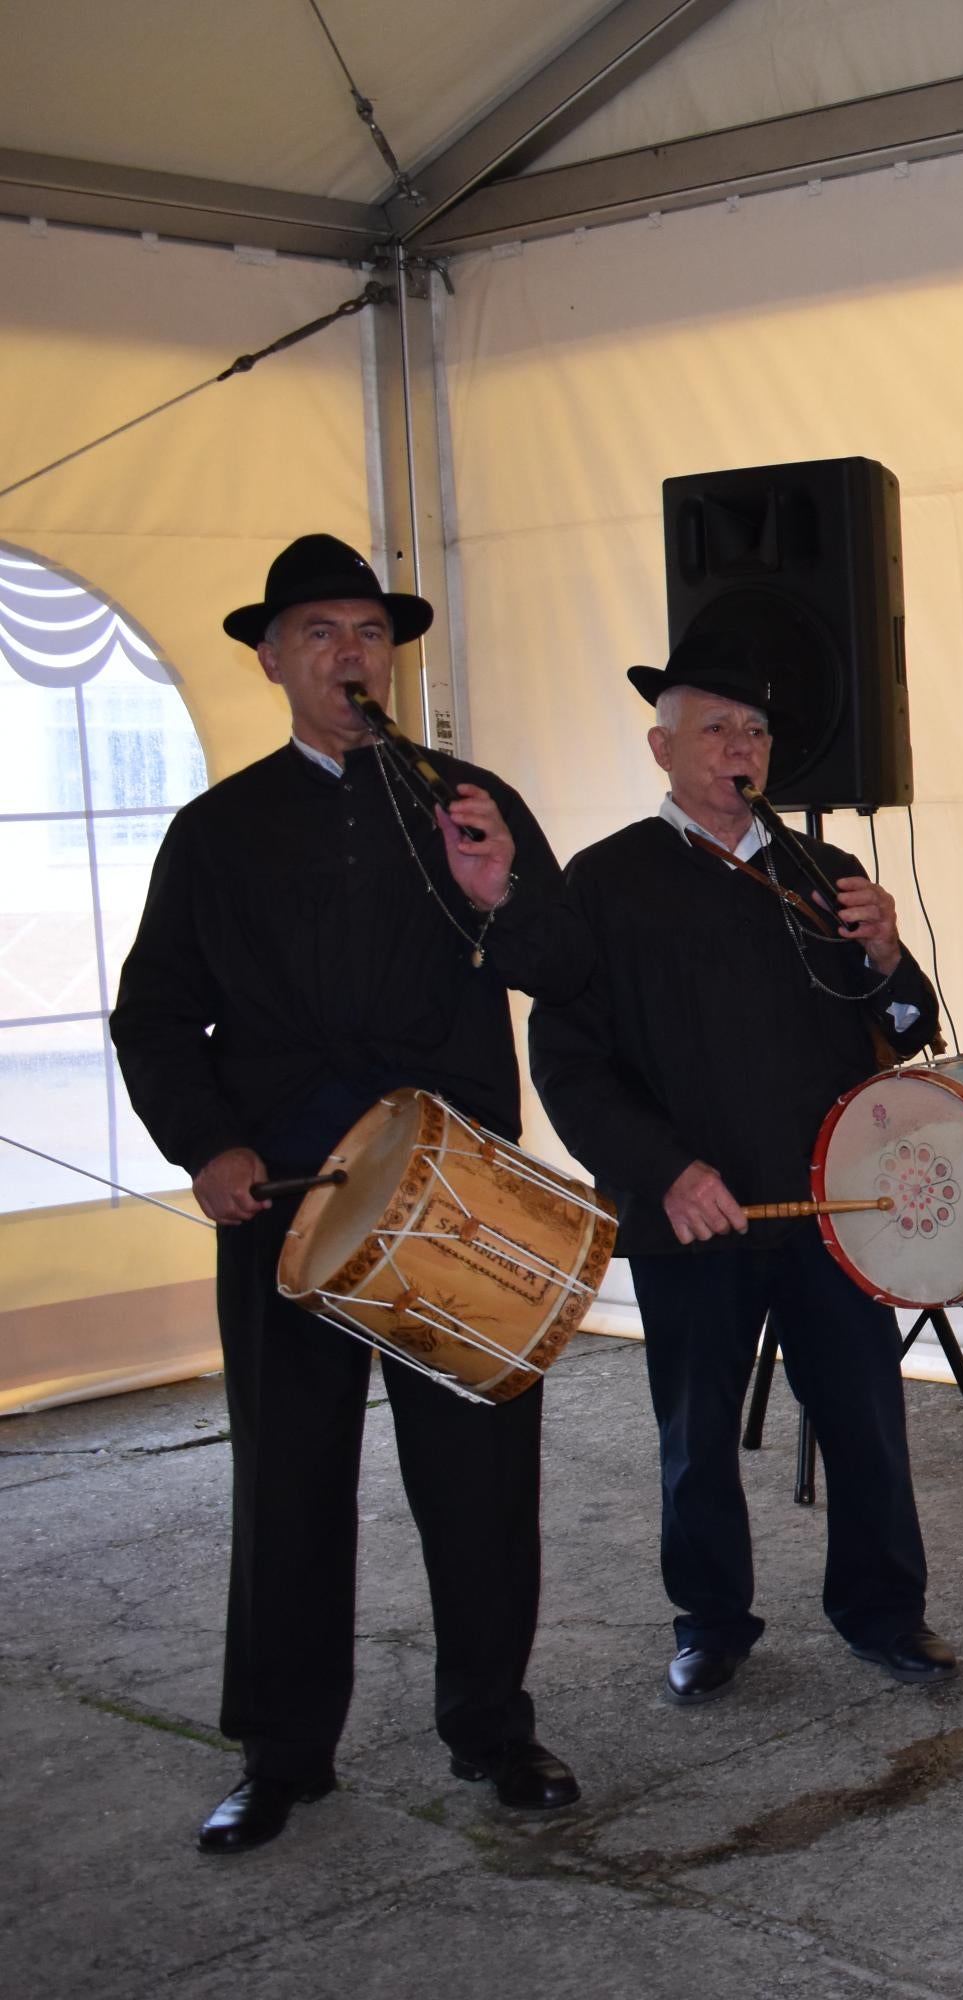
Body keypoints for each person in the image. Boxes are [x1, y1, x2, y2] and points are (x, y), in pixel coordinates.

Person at [111, 534, 595, 1853]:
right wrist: (204, 1145)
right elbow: (152, 1016)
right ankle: (284, 1754)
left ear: (397, 656)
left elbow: (565, 965)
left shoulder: (463, 797)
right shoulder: (217, 832)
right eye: (319, 633)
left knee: (482, 1473)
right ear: (272, 659)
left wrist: (502, 894)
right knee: (291, 1482)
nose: (349, 656)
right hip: (289, 1208)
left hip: (458, 1201)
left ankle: (492, 1725)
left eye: (370, 633)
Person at [529, 624, 953, 1706]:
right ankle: (711, 1620)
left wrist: (890, 957)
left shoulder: (825, 871)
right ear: (661, 747)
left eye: (756, 729)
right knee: (696, 1432)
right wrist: (665, 1171)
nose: (741, 746)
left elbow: (905, 1032)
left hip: (825, 1206)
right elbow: (569, 1066)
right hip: (696, 1212)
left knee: (863, 1413)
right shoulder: (606, 881)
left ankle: (884, 1611)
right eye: (715, 726)